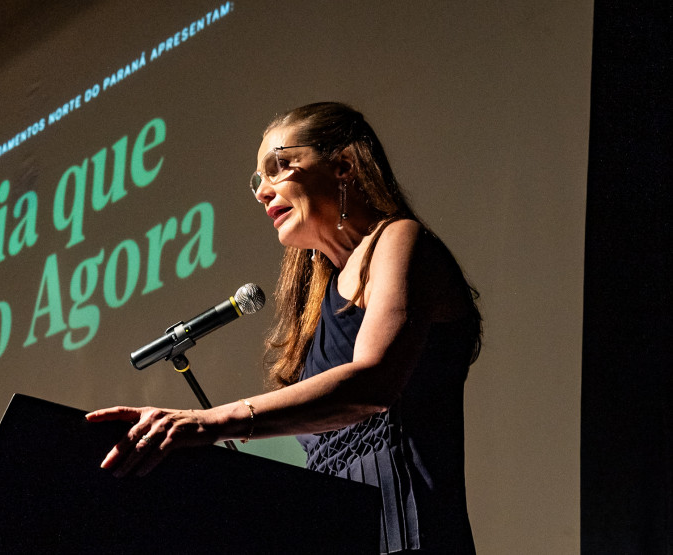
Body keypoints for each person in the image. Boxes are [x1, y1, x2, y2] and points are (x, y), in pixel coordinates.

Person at [86, 102, 482, 554]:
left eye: (278, 167)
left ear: (344, 166)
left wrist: (208, 423)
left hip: (407, 533)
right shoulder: (320, 308)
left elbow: (373, 384)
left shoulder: (398, 240)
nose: (261, 192)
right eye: (258, 180)